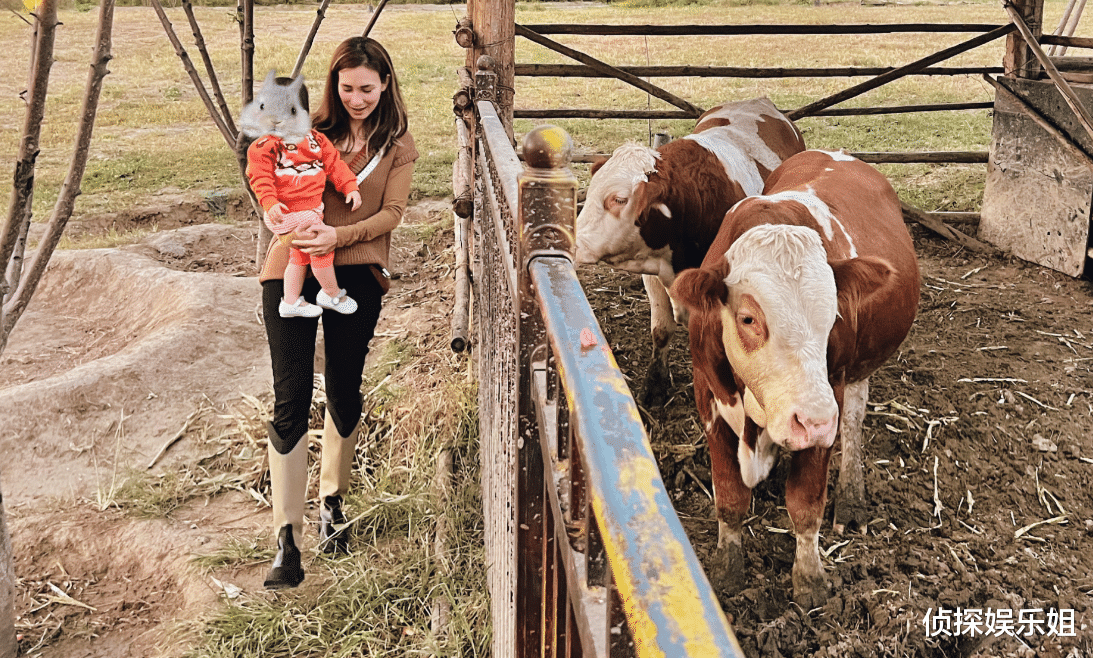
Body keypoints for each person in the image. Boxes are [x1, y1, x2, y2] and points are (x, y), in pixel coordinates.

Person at [257, 36, 418, 590]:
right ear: (334, 85)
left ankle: (333, 502)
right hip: (290, 268)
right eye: (346, 88)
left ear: (385, 85)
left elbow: (393, 213)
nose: (355, 98)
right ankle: (286, 540)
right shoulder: (306, 129)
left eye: (366, 89)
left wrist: (339, 234)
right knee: (291, 394)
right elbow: (263, 173)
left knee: (343, 387)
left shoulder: (397, 144)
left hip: (355, 272)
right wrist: (275, 209)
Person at [243, 72, 363, 319]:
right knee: (320, 247)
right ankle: (331, 293)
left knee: (300, 255)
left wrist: (349, 187)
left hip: (310, 211)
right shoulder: (265, 146)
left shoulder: (317, 141)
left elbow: (335, 165)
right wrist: (270, 202)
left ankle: (290, 301)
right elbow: (260, 177)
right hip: (284, 212)